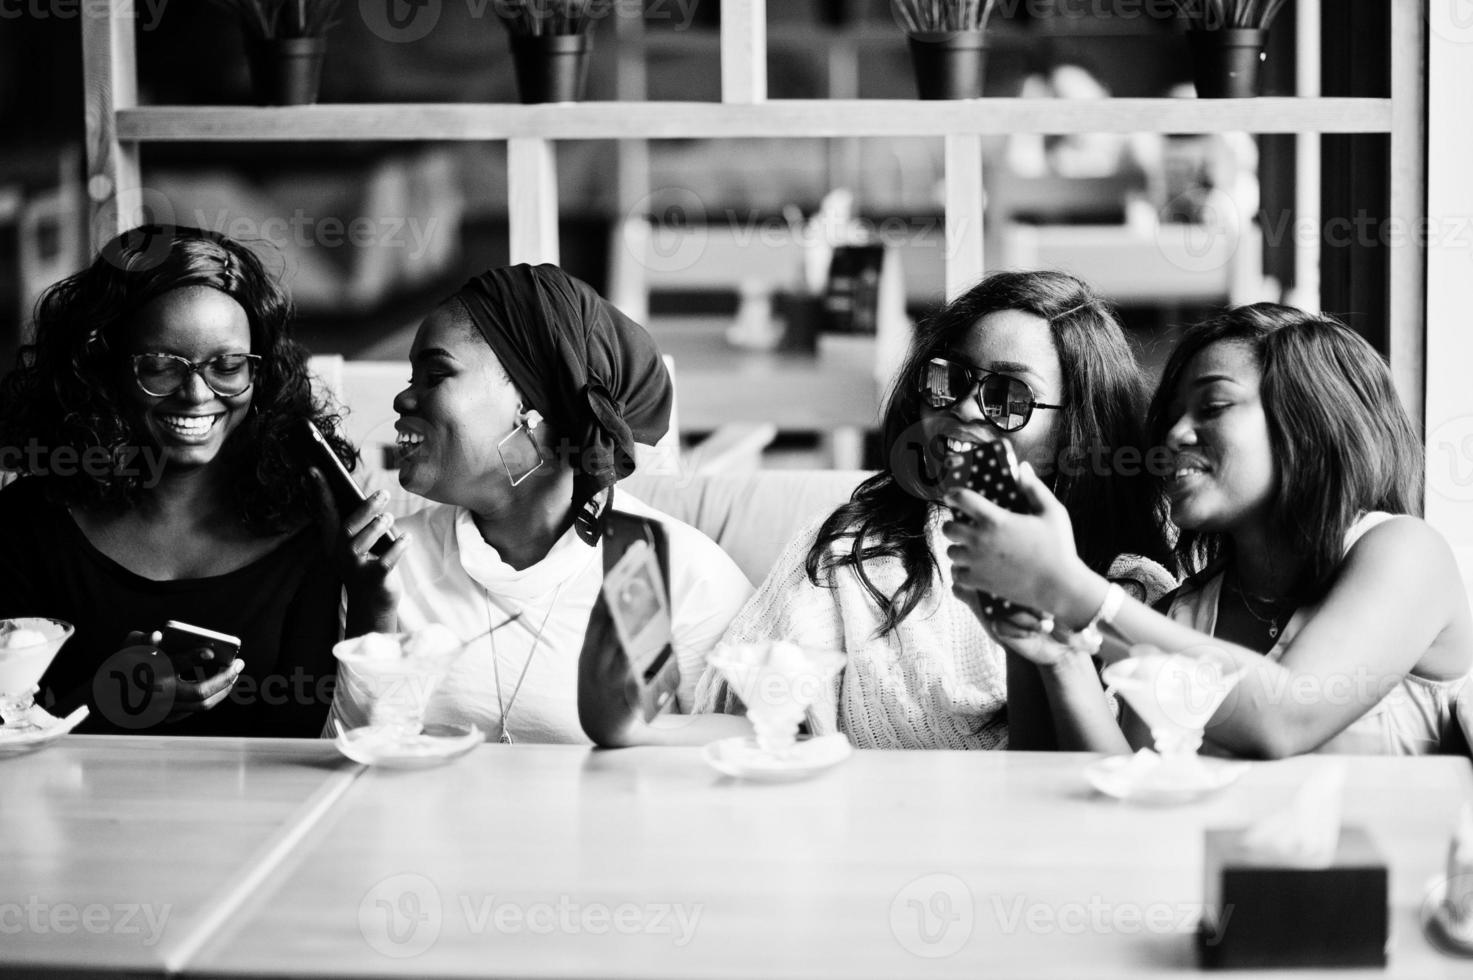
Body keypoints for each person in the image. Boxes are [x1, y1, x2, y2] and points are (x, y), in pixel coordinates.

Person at [945, 304, 1473, 757]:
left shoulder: (1404, 552)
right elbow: (1129, 799)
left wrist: (1071, 589)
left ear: (1312, 421)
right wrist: (1057, 650)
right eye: (1170, 416)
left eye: (1214, 406)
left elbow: (1285, 715)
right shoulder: (1184, 614)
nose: (1173, 435)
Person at [694, 270, 1176, 749]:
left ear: (1078, 428)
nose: (965, 409)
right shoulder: (854, 546)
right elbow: (756, 721)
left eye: (1008, 396)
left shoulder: (1128, 585)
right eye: (951, 379)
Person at [332, 264, 754, 746]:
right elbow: (354, 773)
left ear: (532, 408)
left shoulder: (645, 569)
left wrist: (636, 731)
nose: (404, 397)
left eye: (436, 374)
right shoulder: (389, 564)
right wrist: (373, 618)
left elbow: (760, 741)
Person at [0, 225, 351, 736]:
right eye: (161, 366)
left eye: (227, 366)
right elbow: (5, 736)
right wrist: (107, 700)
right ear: (103, 368)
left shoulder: (302, 523)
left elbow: (301, 734)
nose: (196, 393)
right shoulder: (30, 520)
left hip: (257, 814)